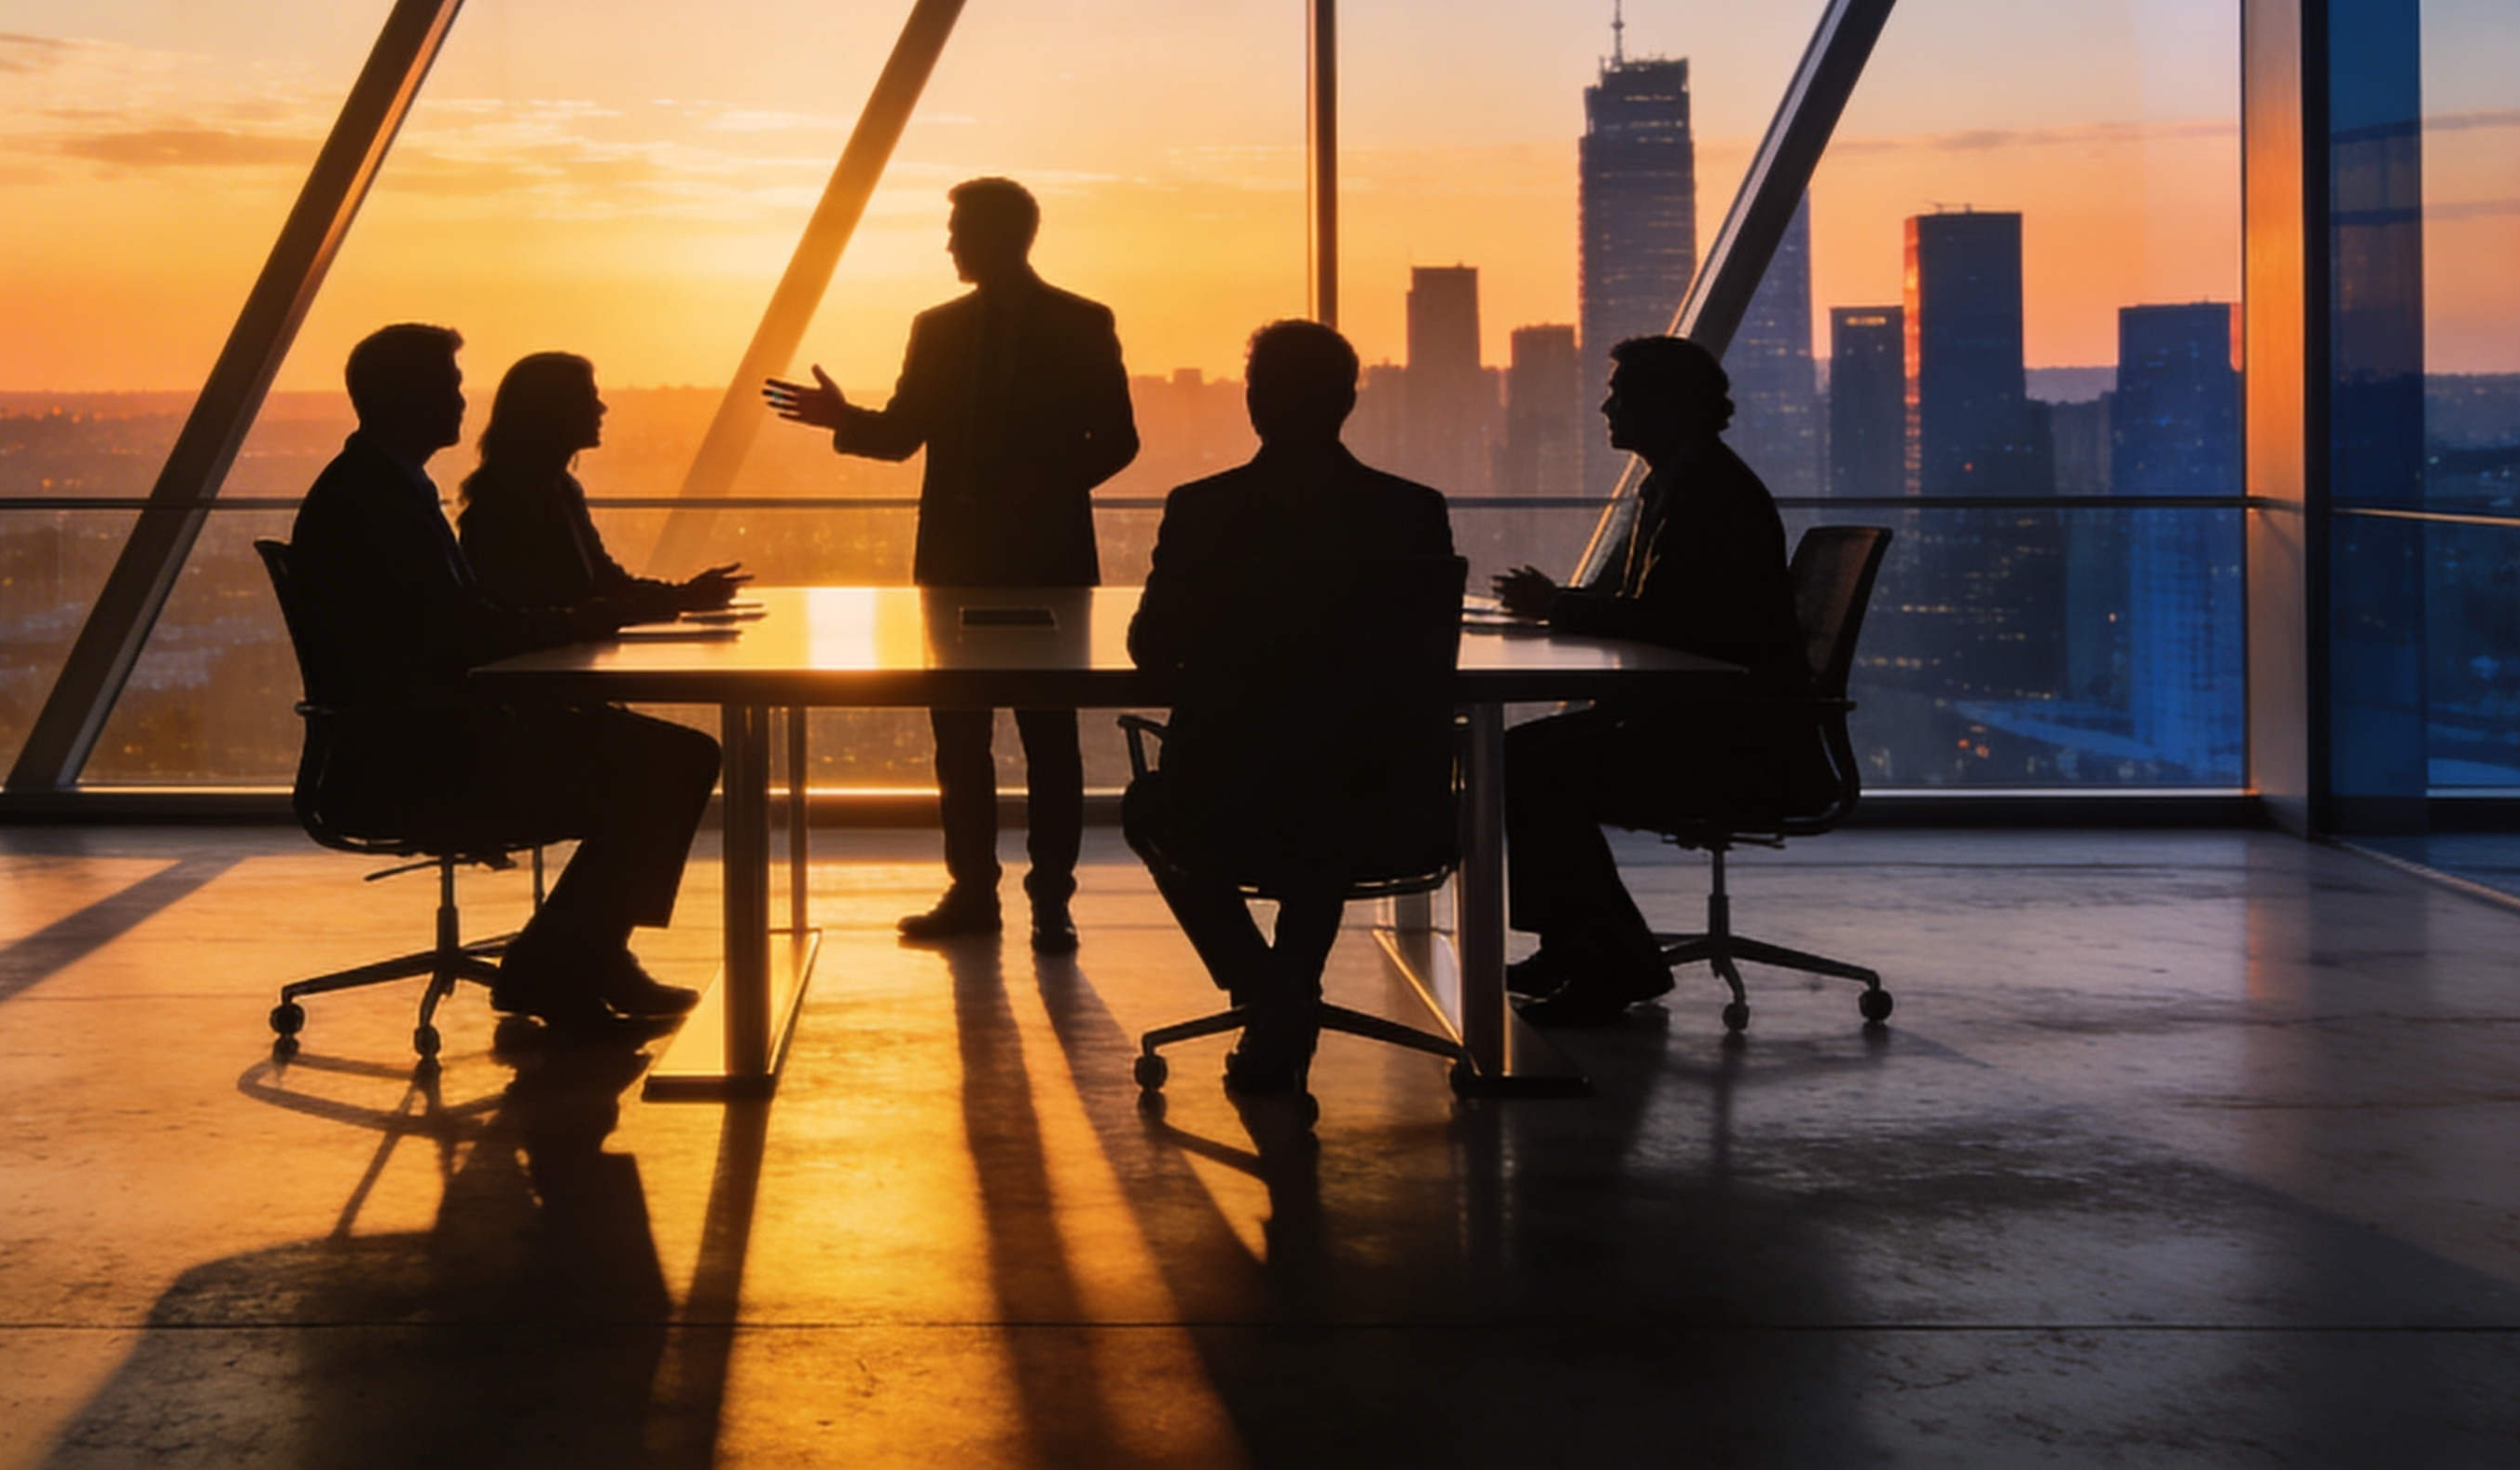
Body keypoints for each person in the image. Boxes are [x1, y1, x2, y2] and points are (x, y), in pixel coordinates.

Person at [287, 323, 721, 1032]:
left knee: (666, 758)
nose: (464, 403)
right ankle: (561, 965)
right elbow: (472, 632)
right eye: (450, 387)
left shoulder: (380, 488)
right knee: (673, 763)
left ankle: (580, 955)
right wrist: (591, 620)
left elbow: (462, 628)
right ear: (410, 397)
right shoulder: (378, 502)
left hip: (420, 739)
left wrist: (611, 612)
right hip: (429, 756)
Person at [763, 176, 1137, 953]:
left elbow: (1119, 439)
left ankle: (1044, 898)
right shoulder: (938, 328)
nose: (949, 244)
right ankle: (979, 893)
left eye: (959, 230)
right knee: (963, 738)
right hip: (964, 563)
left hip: (1039, 566)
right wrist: (844, 421)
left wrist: (1048, 479)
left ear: (1002, 236)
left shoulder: (1081, 323)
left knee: (1046, 738)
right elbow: (904, 435)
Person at [1121, 319, 1454, 1095]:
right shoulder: (1410, 511)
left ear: (1254, 403)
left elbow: (1152, 650)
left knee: (1150, 806)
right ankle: (1288, 991)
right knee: (1327, 809)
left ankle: (1271, 994)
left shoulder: (1205, 510)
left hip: (1227, 803)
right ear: (1348, 401)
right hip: (1383, 801)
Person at [1494, 333, 1807, 1025]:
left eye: (1620, 393)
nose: (1606, 406)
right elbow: (1661, 614)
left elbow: (1673, 621)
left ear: (1663, 406)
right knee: (1516, 758)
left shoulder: (1707, 495)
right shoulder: (1677, 483)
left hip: (1726, 738)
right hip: (1694, 715)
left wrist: (1561, 607)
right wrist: (1564, 607)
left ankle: (1613, 964)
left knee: (1535, 772)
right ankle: (1575, 946)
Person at [459, 351, 746, 618]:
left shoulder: (548, 490)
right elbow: (580, 600)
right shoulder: (519, 502)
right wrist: (681, 598)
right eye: (589, 397)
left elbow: (604, 584)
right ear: (556, 411)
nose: (601, 408)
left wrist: (682, 594)